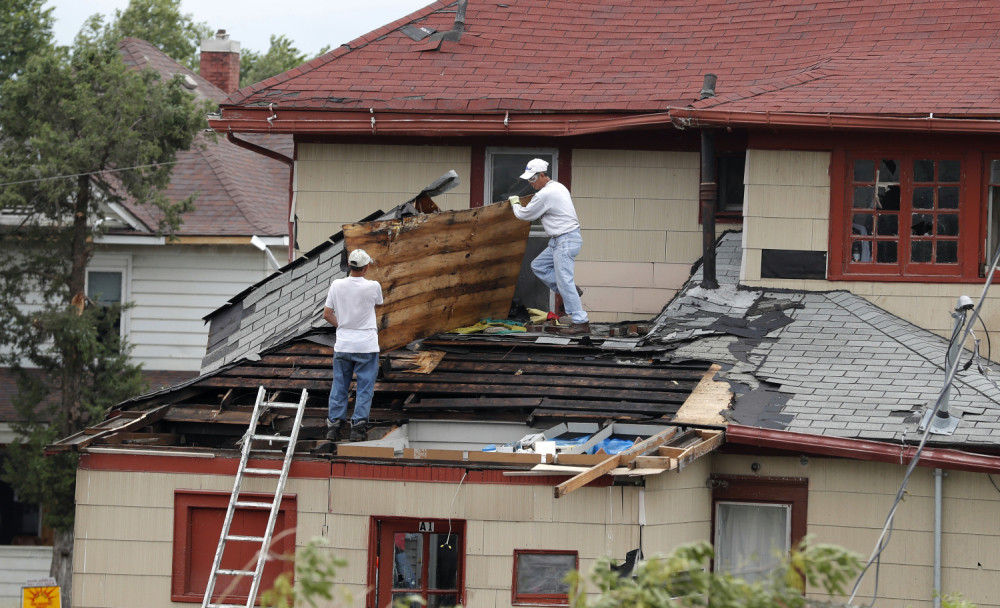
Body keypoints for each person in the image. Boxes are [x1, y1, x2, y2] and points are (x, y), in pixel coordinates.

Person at [511, 158, 589, 334]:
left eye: (532, 179)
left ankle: (581, 323)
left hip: (565, 240)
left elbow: (525, 215)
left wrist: (515, 204)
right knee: (538, 266)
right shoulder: (558, 186)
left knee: (565, 281)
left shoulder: (545, 194)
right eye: (528, 180)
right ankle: (571, 291)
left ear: (541, 175)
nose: (531, 184)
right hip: (561, 240)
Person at [323, 248, 383, 442]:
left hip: (344, 345)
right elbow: (379, 304)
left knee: (340, 385)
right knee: (365, 387)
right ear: (366, 267)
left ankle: (334, 428)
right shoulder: (373, 286)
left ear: (349, 266)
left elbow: (327, 314)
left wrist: (343, 326)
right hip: (366, 345)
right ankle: (357, 429)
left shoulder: (336, 285)